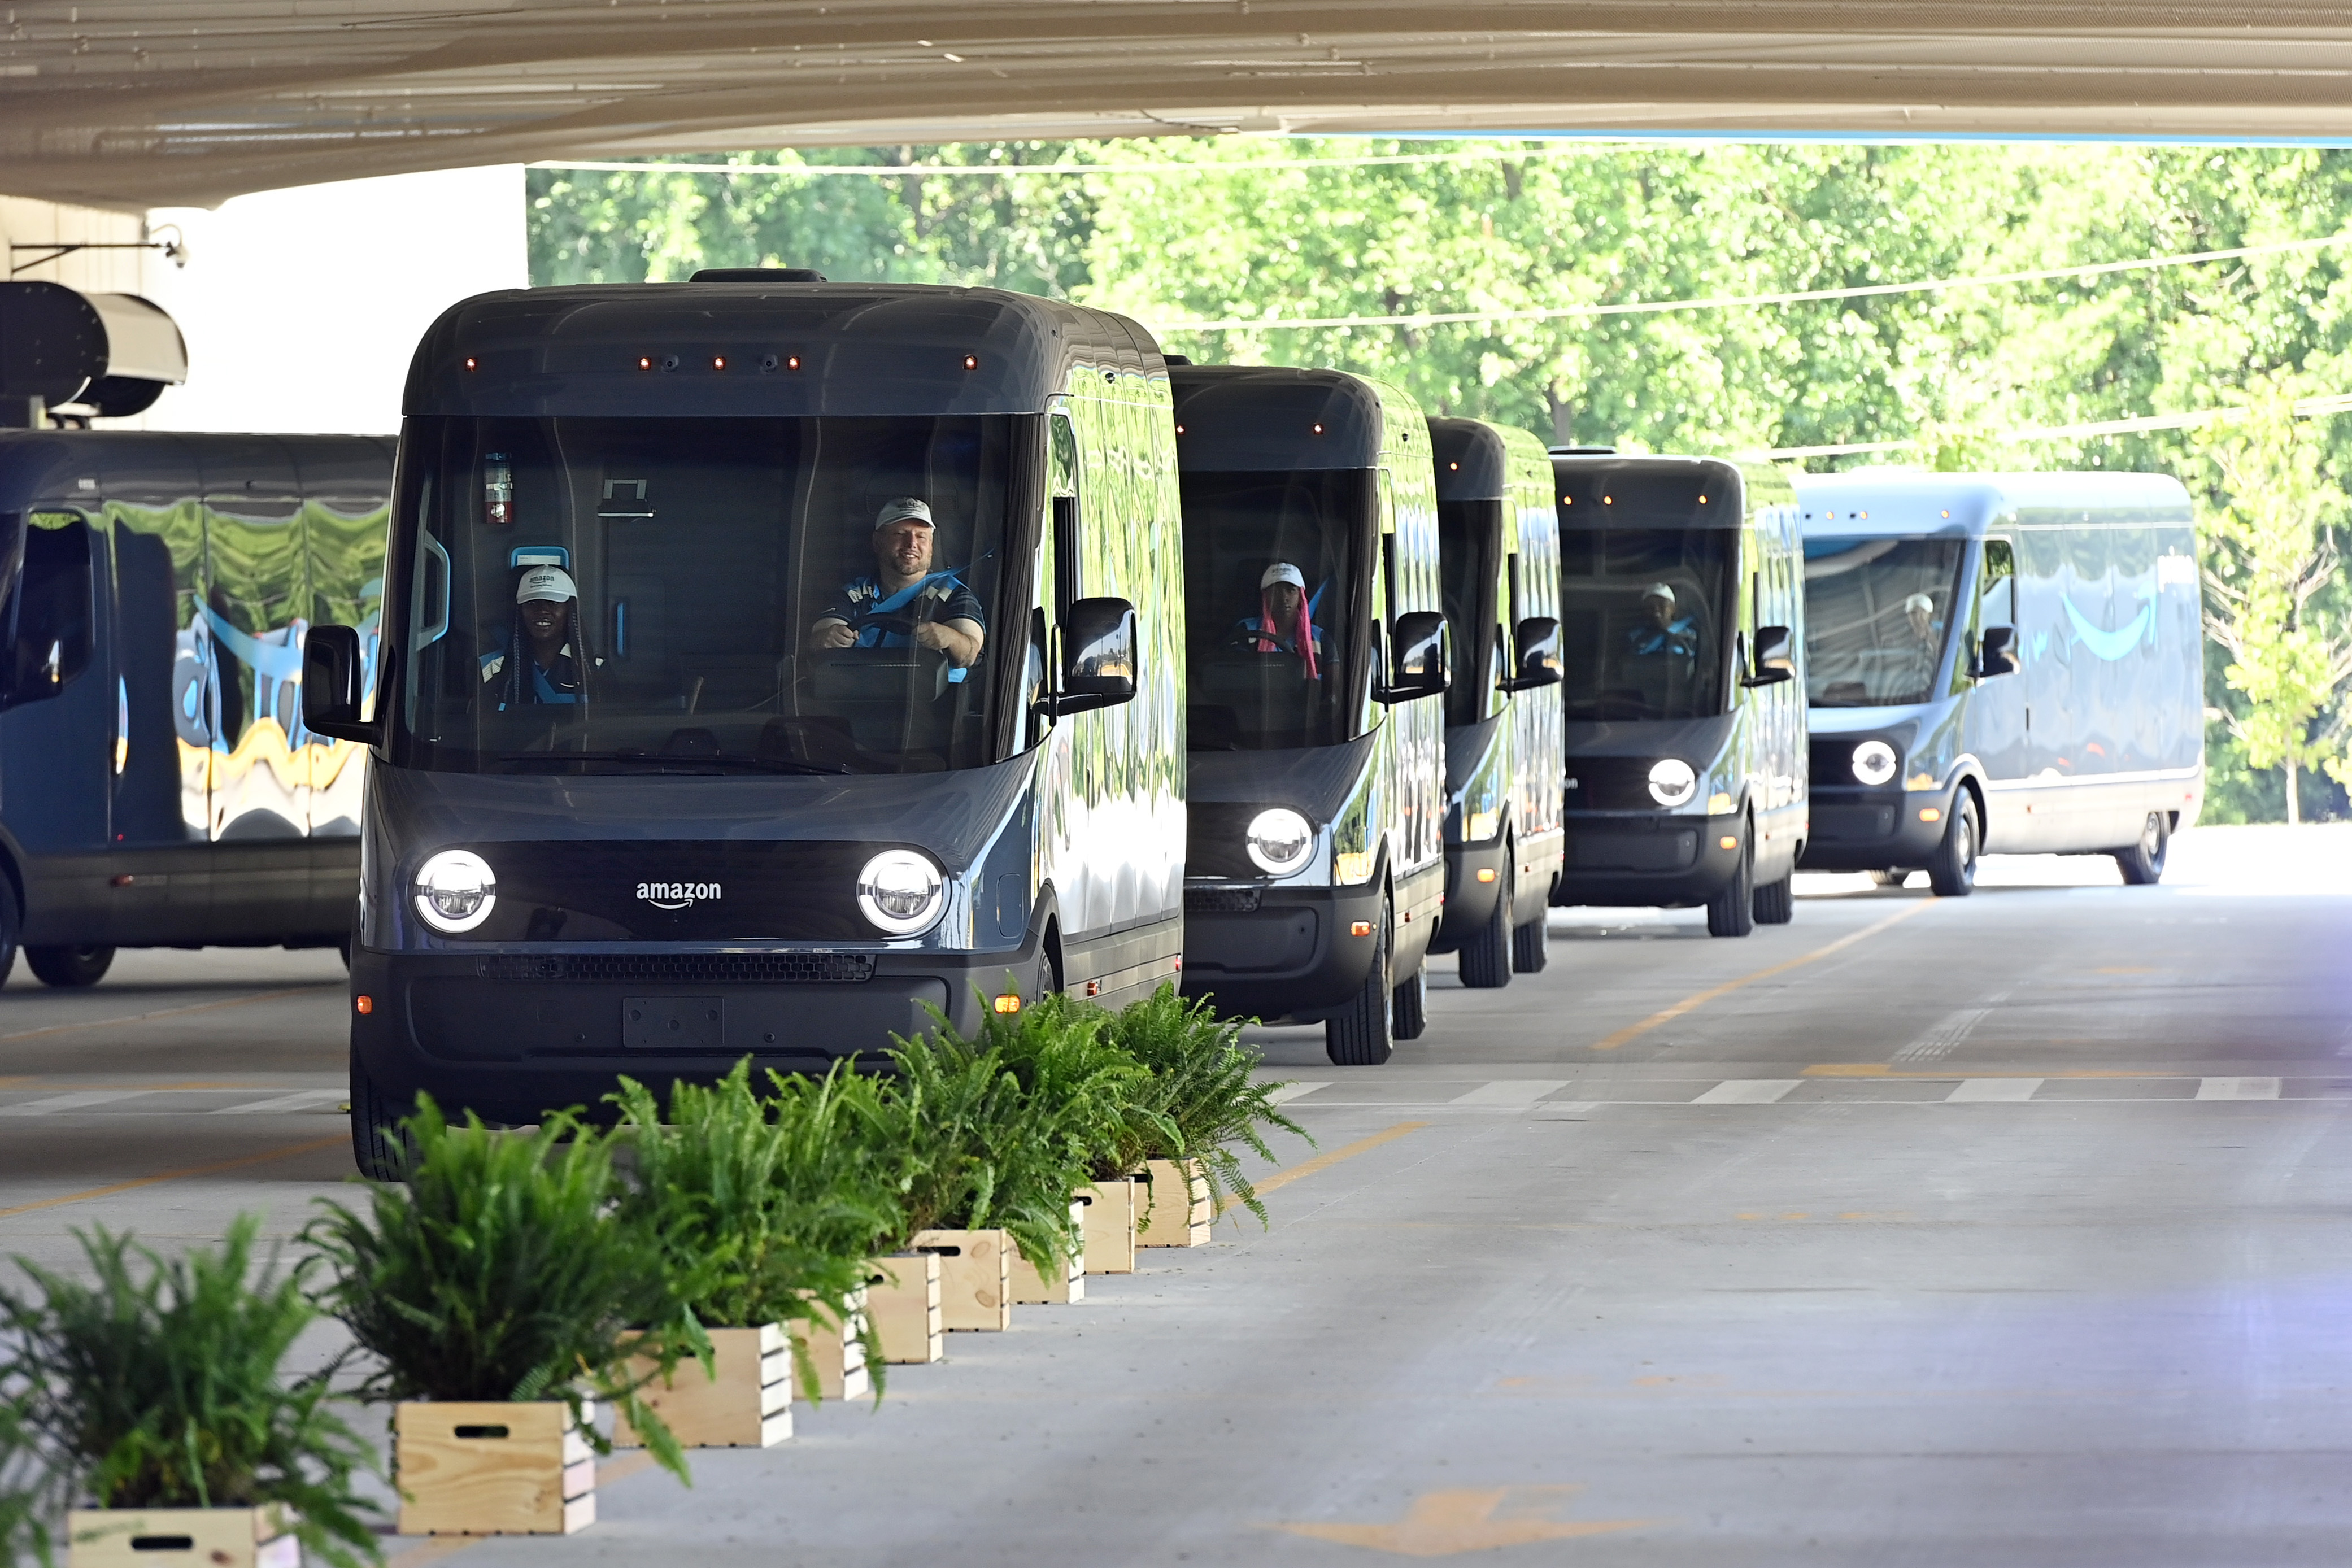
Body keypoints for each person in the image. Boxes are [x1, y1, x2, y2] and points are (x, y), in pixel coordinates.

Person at [809, 498, 986, 669]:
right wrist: (828, 638)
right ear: (877, 542)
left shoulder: (952, 594)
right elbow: (821, 637)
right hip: (861, 687)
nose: (912, 544)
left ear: (931, 546)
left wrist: (951, 638)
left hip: (932, 690)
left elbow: (970, 655)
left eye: (921, 537)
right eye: (900, 534)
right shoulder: (854, 594)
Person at [480, 564, 590, 708]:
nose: (543, 610)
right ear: (520, 611)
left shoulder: (593, 669)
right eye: (532, 603)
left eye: (553, 603)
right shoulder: (490, 668)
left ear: (570, 610)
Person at [1232, 561, 1321, 678]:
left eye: (1291, 590)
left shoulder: (1319, 638)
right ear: (1265, 596)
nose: (1284, 597)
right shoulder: (1246, 631)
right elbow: (1236, 676)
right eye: (1276, 591)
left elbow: (1332, 685)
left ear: (1301, 595)